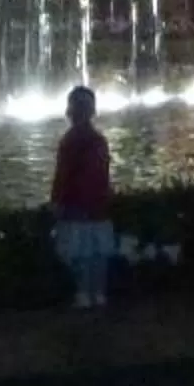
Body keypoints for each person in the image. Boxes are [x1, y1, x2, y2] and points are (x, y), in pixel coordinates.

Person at [50, 84, 115, 309]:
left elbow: (63, 176)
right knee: (98, 254)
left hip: (77, 206)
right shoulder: (98, 140)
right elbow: (103, 175)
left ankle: (84, 294)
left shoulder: (70, 141)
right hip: (98, 207)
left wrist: (57, 201)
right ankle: (98, 293)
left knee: (79, 254)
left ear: (70, 111)